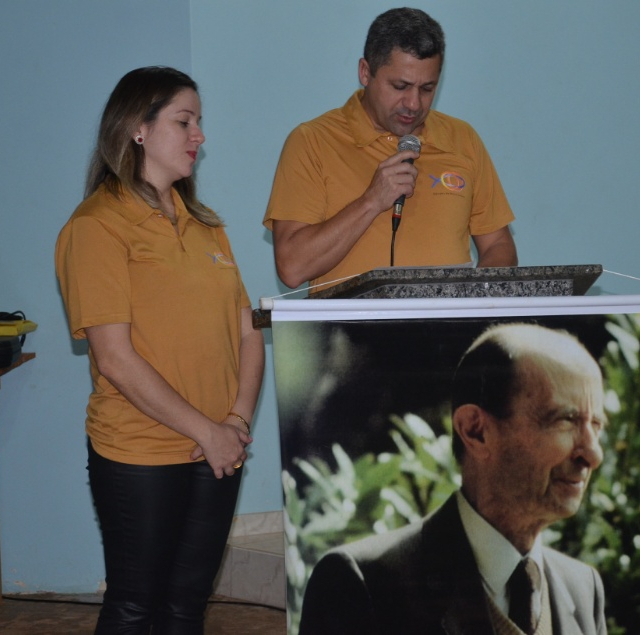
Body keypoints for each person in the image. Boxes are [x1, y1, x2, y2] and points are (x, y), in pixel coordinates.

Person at [54, 66, 265, 634]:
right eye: (184, 121)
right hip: (140, 452)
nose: (199, 135)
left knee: (186, 608)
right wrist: (207, 430)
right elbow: (116, 359)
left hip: (217, 448)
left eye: (199, 122)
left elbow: (248, 333)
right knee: (136, 606)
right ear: (138, 129)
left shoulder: (206, 226)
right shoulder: (97, 226)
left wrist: (235, 422)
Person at [298, 323, 608, 635]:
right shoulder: (363, 585)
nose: (593, 455)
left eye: (596, 425)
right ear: (476, 430)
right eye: (565, 421)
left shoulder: (583, 589)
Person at [263, 7, 518, 292]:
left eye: (427, 89)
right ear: (365, 72)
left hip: (449, 334)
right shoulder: (312, 141)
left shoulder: (463, 139)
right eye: (400, 86)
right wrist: (372, 200)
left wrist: (475, 298)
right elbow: (292, 267)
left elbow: (498, 244)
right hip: (348, 335)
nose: (413, 104)